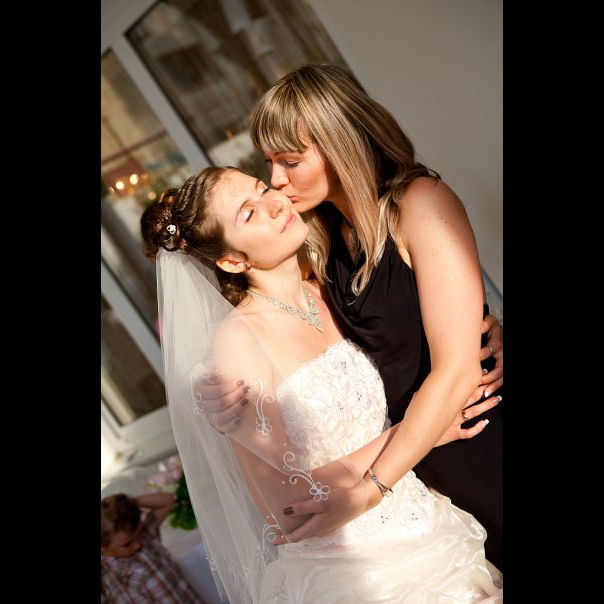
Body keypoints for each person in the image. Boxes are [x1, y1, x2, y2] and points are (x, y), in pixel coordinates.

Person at [140, 165, 502, 602]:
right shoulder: (238, 341)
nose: (274, 204)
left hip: (430, 522)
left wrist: (485, 330)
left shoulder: (331, 289)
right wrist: (419, 432)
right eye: (249, 214)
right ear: (232, 261)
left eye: (262, 189)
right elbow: (282, 507)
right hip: (354, 564)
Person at [195, 63, 504, 571]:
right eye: (270, 162)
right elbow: (279, 322)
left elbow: (456, 370)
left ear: (340, 143)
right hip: (423, 467)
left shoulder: (421, 204)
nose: (276, 180)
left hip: (480, 438)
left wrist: (369, 490)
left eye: (290, 161)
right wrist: (216, 392)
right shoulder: (322, 238)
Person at [101, 492, 202, 603]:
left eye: (137, 534)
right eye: (127, 544)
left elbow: (167, 501)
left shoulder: (144, 536)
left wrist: (127, 505)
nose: (138, 544)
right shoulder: (117, 581)